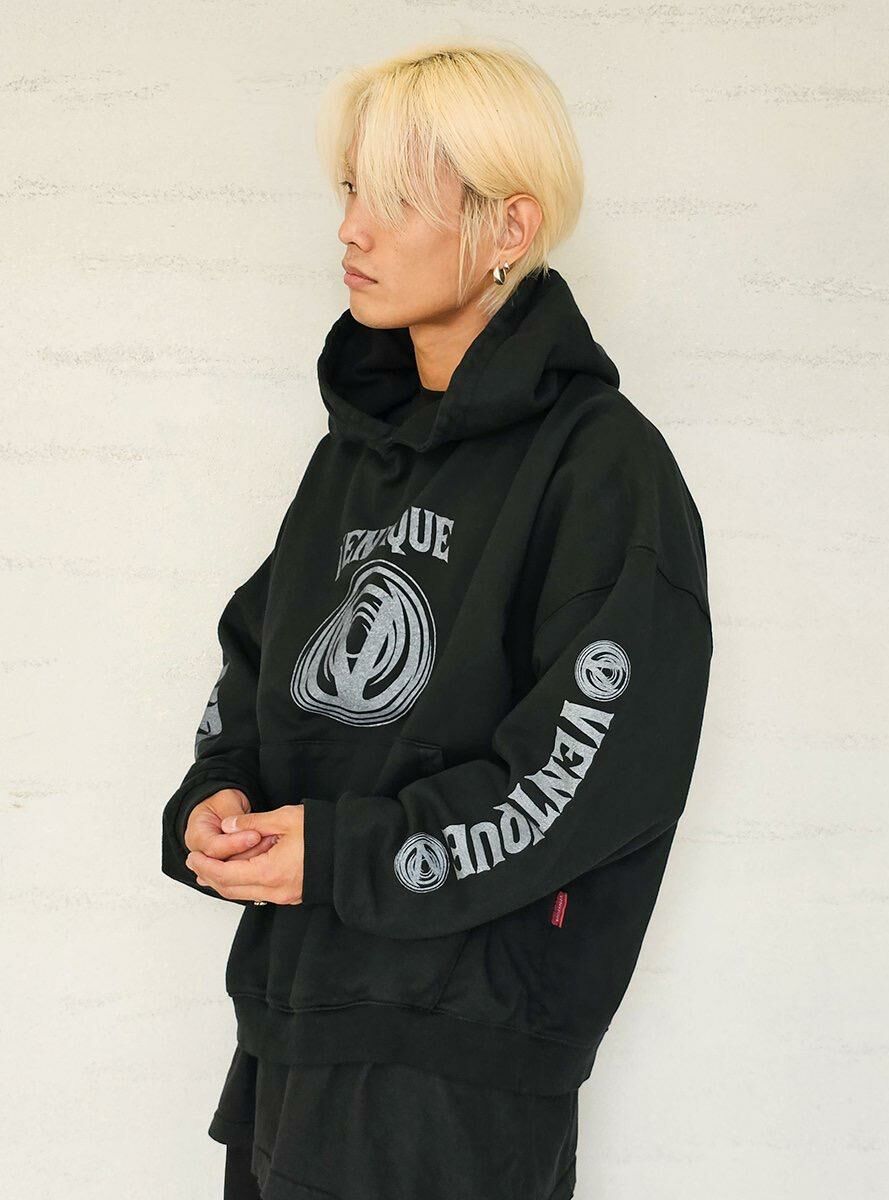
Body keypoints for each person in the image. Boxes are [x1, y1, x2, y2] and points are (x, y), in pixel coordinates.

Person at [161, 37, 713, 1200]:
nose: (351, 229)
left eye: (394, 198)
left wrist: (345, 854)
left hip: (454, 1080)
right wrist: (216, 794)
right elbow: (262, 661)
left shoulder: (603, 471)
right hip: (292, 1036)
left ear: (509, 225)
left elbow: (583, 780)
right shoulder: (351, 461)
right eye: (348, 190)